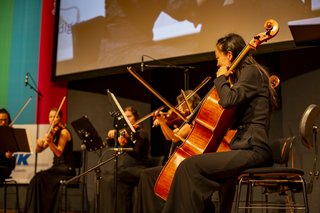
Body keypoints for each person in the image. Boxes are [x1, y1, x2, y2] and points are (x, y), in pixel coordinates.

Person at [161, 33, 278, 213]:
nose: (217, 64)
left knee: (189, 166)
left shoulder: (251, 72)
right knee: (193, 173)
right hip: (244, 147)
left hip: (254, 149)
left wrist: (221, 78)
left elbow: (228, 100)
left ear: (229, 55)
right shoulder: (245, 76)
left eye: (218, 58)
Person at [133, 90, 201, 213]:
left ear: (191, 105)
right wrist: (163, 123)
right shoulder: (183, 123)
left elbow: (175, 137)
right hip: (175, 164)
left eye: (182, 104)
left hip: (182, 167)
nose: (178, 108)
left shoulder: (194, 121)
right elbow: (169, 137)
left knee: (147, 175)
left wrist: (163, 122)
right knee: (147, 176)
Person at [24, 107, 75, 213]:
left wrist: (50, 142)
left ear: (60, 118)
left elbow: (59, 152)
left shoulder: (64, 132)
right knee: (36, 179)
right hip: (56, 168)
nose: (52, 119)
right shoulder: (53, 133)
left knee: (39, 179)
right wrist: (38, 143)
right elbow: (39, 150)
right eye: (50, 116)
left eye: (55, 116)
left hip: (66, 168)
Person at [102, 106, 150, 213]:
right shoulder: (126, 133)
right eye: (125, 117)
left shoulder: (141, 132)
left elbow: (136, 150)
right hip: (128, 169)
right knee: (112, 175)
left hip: (139, 168)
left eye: (129, 116)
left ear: (136, 117)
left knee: (118, 177)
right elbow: (109, 144)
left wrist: (124, 140)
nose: (127, 119)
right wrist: (113, 137)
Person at [0, 108, 16, 183]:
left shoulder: (11, 134)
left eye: (5, 120)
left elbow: (8, 156)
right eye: (1, 120)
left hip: (4, 166)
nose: (3, 122)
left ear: (8, 121)